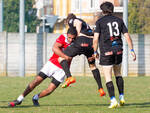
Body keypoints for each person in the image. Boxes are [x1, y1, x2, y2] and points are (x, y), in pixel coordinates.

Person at [8, 28, 77, 107]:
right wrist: (65, 57)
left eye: (73, 38)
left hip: (62, 69)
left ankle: (35, 98)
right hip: (52, 64)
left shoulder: (77, 42)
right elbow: (55, 48)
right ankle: (20, 99)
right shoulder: (62, 37)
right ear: (67, 35)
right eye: (69, 38)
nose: (71, 40)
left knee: (50, 90)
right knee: (36, 81)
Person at [93, 2, 136, 108]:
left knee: (108, 77)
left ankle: (113, 100)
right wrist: (132, 50)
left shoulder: (99, 22)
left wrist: (95, 52)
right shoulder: (119, 20)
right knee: (118, 73)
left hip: (107, 51)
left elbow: (95, 39)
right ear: (112, 10)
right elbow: (127, 36)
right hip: (118, 51)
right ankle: (121, 97)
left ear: (102, 11)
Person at [59, 13, 106, 97]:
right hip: (91, 44)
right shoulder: (86, 25)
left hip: (81, 41)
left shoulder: (72, 20)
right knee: (92, 66)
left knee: (61, 58)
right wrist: (95, 51)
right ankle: (100, 88)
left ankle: (69, 77)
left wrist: (77, 35)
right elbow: (94, 37)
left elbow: (78, 23)